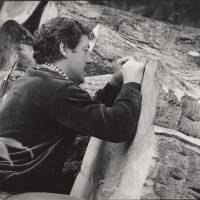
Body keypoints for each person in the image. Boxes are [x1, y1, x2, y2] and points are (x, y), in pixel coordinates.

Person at [0, 17, 145, 196]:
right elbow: (118, 127)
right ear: (64, 49)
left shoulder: (36, 80)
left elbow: (86, 114)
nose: (90, 59)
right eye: (85, 51)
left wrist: (115, 84)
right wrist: (132, 83)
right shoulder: (56, 89)